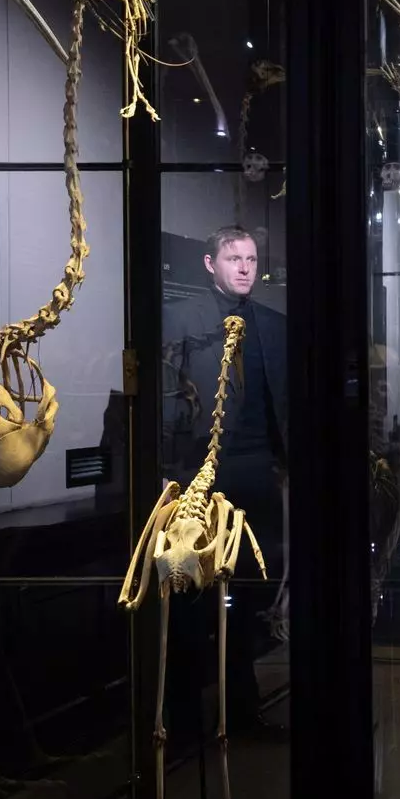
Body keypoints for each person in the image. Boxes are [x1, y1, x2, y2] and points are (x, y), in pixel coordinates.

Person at [162, 225, 289, 734]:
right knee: (191, 588)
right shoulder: (180, 319)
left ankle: (241, 705)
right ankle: (186, 714)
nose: (244, 267)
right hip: (199, 477)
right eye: (234, 258)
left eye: (252, 259)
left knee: (251, 595)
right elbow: (167, 399)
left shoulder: (274, 327)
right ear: (211, 264)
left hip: (256, 474)